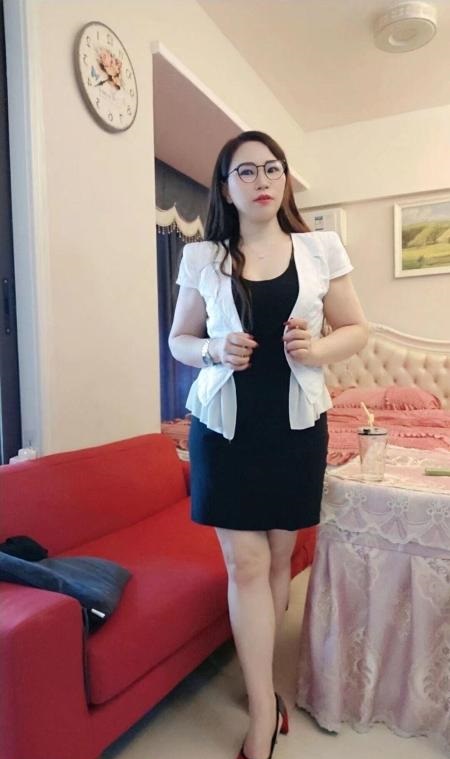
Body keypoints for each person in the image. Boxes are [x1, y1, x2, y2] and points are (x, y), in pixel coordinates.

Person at [168, 130, 368, 759]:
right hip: (225, 427)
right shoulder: (204, 257)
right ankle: (262, 708)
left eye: (272, 168)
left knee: (280, 561)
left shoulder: (320, 248)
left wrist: (319, 347)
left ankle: (265, 682)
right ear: (226, 187)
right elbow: (178, 340)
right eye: (246, 171)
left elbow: (356, 329)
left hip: (296, 427)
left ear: (284, 179)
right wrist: (212, 349)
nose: (262, 180)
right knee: (246, 565)